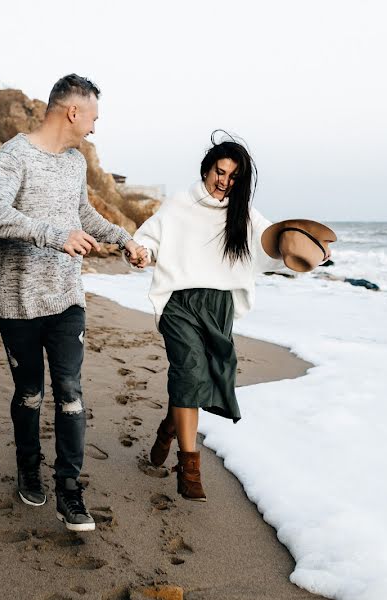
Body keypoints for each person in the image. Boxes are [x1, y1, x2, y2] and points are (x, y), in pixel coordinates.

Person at [0, 74, 146, 531]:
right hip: (19, 301)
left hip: (67, 298)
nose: (94, 127)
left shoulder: (74, 162)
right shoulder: (13, 155)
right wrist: (53, 235)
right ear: (74, 111)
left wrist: (123, 239)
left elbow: (81, 214)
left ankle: (70, 491)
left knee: (70, 392)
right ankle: (28, 466)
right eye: (93, 117)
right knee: (30, 393)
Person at [129, 133, 329, 501]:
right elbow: (151, 241)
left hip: (220, 308)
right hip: (181, 303)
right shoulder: (179, 205)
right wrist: (142, 254)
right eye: (219, 172)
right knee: (190, 371)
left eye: (233, 177)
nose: (224, 181)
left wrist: (305, 255)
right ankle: (189, 468)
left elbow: (274, 252)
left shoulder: (245, 217)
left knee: (202, 378)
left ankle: (167, 432)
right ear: (207, 169)